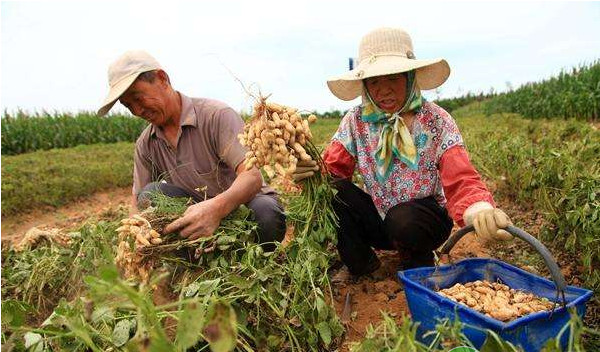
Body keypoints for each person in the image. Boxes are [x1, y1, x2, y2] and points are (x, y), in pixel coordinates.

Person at [294, 27, 512, 276]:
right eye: (374, 81)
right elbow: (333, 170)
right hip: (380, 219)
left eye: (393, 78)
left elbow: (461, 176)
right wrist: (310, 174)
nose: (383, 90)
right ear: (364, 85)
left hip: (423, 221)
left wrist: (479, 210)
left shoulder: (436, 120)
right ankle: (363, 265)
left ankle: (417, 264)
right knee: (334, 191)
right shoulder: (356, 121)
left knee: (404, 218)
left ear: (410, 77)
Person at [98, 50, 286, 246]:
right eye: (128, 106)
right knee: (150, 195)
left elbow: (251, 177)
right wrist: (131, 239)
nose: (137, 111)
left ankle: (258, 266)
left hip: (242, 205)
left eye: (138, 99)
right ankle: (194, 256)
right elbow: (137, 203)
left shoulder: (216, 116)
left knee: (266, 213)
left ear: (162, 79)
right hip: (194, 215)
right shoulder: (146, 144)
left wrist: (215, 209)